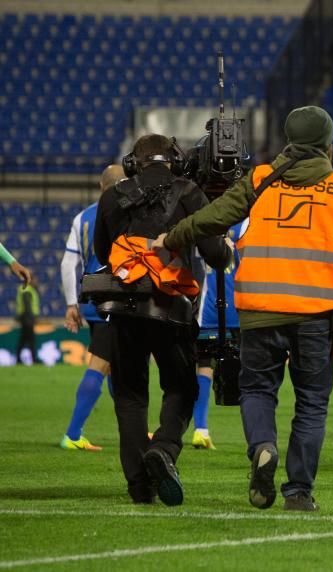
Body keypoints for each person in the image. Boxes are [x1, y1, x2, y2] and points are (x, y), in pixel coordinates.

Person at [157, 106, 333, 511]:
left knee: (257, 390)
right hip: (317, 312)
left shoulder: (259, 179)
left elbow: (213, 218)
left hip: (260, 308)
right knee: (311, 402)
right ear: (327, 145)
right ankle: (299, 492)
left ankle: (262, 448)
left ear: (289, 140)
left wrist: (171, 237)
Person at [94, 134, 230, 505]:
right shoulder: (188, 191)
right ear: (175, 161)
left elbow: (102, 252)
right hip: (170, 308)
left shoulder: (111, 196)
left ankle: (140, 486)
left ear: (132, 162)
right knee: (182, 388)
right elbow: (216, 255)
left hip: (122, 307)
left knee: (130, 396)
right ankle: (165, 450)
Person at [59, 164, 125, 450]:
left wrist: (71, 303)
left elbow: (68, 263)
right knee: (101, 363)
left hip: (92, 299)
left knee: (115, 365)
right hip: (116, 298)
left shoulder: (82, 217)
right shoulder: (126, 212)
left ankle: (132, 429)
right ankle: (72, 435)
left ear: (101, 186)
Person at [190, 220, 247, 451]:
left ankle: (200, 429)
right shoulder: (248, 225)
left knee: (204, 366)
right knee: (249, 371)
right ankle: (256, 436)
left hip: (209, 310)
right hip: (240, 309)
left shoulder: (205, 223)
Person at [15, 275, 39, 365]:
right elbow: (27, 306)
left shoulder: (27, 289)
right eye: (35, 280)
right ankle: (34, 360)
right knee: (31, 340)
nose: (36, 282)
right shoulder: (27, 290)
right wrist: (31, 318)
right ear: (30, 280)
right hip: (27, 318)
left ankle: (18, 359)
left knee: (23, 340)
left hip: (25, 318)